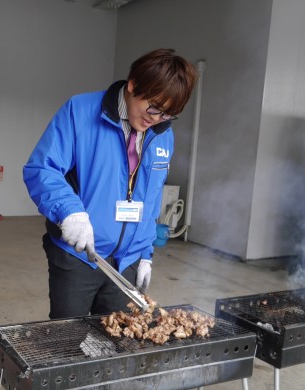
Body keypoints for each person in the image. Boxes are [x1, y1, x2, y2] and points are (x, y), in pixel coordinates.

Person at [23, 49, 197, 319]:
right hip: (79, 255)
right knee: (68, 341)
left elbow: (151, 197)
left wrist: (146, 253)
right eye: (153, 107)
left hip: (127, 263)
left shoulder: (163, 134)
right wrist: (70, 213)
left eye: (167, 114)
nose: (155, 119)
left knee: (115, 344)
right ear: (133, 84)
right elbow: (42, 168)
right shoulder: (79, 112)